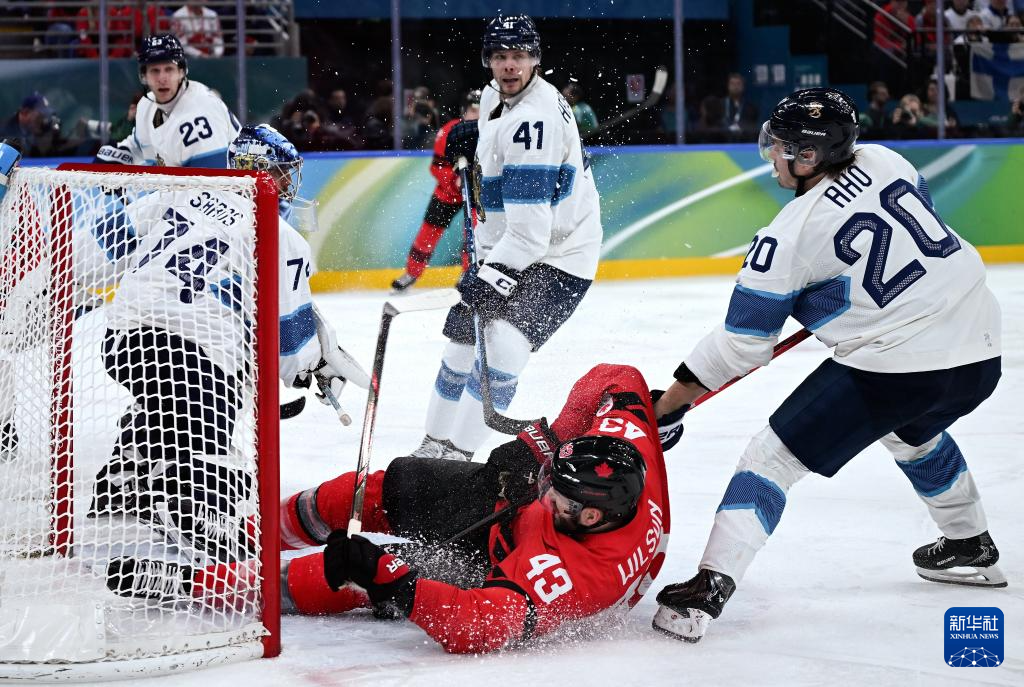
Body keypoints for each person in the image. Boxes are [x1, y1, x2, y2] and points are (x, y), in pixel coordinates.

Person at [650, 87, 1004, 645]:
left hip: (899, 365)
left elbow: (743, 344)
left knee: (770, 460)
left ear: (809, 155)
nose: (772, 154)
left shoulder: (788, 235)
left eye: (782, 146)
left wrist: (670, 405)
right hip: (981, 348)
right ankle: (968, 543)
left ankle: (705, 592)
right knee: (912, 433)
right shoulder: (886, 160)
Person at [107, 364, 674, 654]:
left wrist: (392, 579)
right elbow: (614, 376)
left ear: (591, 517)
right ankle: (256, 532)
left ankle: (198, 584)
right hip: (515, 518)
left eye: (558, 493)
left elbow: (479, 626)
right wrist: (541, 446)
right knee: (377, 490)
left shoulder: (574, 576)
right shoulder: (625, 445)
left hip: (500, 571)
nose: (547, 489)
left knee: (345, 577)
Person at [86, 124, 368, 563]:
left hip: (121, 338)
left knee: (168, 399)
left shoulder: (184, 192)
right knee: (217, 426)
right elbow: (289, 340)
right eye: (282, 172)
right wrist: (309, 369)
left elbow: (110, 240)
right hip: (188, 351)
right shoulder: (280, 234)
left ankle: (123, 480)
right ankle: (198, 516)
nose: (288, 183)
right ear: (261, 171)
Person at [410, 13, 603, 461]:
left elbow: (531, 235)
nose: (510, 65)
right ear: (488, 61)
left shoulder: (534, 120)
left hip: (561, 254)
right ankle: (431, 447)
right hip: (510, 244)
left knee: (503, 347)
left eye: (519, 55)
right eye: (500, 56)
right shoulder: (497, 96)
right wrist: (479, 134)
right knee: (462, 341)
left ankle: (457, 458)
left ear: (536, 59)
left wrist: (491, 276)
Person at [95, 34, 239, 168]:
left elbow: (212, 182)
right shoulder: (146, 105)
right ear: (144, 76)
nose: (162, 78)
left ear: (181, 72)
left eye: (169, 69)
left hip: (233, 185)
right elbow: (139, 146)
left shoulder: (200, 114)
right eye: (155, 71)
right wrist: (117, 155)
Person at [391, 90, 481, 293]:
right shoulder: (449, 131)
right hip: (447, 193)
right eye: (474, 110)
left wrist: (477, 181)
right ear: (464, 110)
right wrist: (453, 181)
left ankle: (469, 274)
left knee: (475, 236)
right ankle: (412, 272)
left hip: (477, 195)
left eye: (482, 110)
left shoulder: (492, 132)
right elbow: (437, 166)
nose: (477, 114)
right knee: (428, 232)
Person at [0, 92, 67, 157]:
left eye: (46, 115)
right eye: (40, 116)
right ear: (25, 112)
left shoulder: (39, 131)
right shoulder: (4, 134)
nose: (44, 120)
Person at [722, 73, 758, 141]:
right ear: (728, 86)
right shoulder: (721, 104)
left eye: (738, 84)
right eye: (732, 84)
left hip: (743, 141)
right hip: (723, 141)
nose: (735, 87)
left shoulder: (750, 107)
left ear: (743, 86)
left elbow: (752, 125)